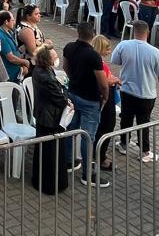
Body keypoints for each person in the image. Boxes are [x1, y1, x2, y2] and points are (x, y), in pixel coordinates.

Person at [110, 20, 159, 161]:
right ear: (147, 33)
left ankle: (124, 144)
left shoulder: (124, 45)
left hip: (127, 90)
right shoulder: (154, 52)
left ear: (133, 31)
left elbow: (115, 60)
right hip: (146, 94)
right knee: (144, 123)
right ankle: (144, 151)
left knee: (126, 118)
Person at [62, 22, 110, 187]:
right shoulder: (93, 56)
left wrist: (74, 79)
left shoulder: (69, 47)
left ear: (78, 32)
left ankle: (68, 161)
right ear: (93, 34)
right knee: (88, 136)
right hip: (90, 99)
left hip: (73, 94)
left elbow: (65, 67)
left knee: (71, 130)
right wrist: (105, 96)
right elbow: (103, 82)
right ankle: (87, 174)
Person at [30, 45, 70, 194]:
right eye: (54, 57)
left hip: (44, 115)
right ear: (48, 60)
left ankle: (41, 180)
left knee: (45, 149)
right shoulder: (46, 77)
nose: (56, 59)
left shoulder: (40, 70)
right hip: (50, 117)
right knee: (51, 153)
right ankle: (50, 184)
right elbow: (59, 98)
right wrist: (66, 96)